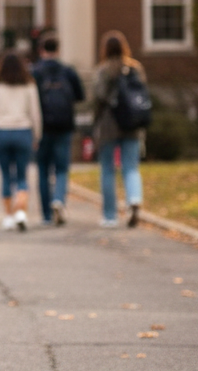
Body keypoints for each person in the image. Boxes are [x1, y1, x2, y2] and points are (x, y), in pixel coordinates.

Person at [0, 51, 42, 232]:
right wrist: (37, 136)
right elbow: (36, 114)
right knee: (22, 176)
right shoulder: (29, 86)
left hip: (1, 132)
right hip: (23, 132)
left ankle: (8, 216)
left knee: (6, 175)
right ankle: (20, 212)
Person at [92, 30, 145, 228]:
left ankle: (109, 216)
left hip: (109, 124)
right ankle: (134, 199)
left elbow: (98, 97)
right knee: (131, 167)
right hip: (132, 123)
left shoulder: (102, 70)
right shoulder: (135, 68)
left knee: (107, 169)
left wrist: (95, 124)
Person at [31, 35, 86, 226]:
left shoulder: (35, 72)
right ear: (58, 50)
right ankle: (59, 200)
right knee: (62, 168)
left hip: (42, 128)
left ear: (41, 50)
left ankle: (46, 215)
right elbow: (80, 95)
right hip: (64, 126)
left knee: (43, 170)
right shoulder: (68, 71)